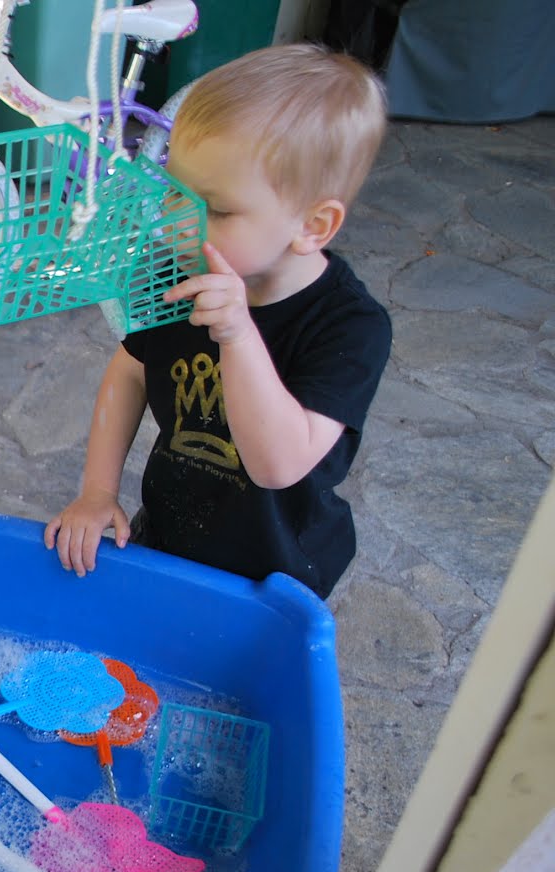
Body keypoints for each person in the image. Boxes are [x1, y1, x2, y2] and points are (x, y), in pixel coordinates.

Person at [44, 44, 391, 600]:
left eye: (217, 208)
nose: (177, 220)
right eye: (176, 191)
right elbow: (130, 371)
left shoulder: (349, 326)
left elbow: (279, 465)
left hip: (278, 574)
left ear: (312, 225)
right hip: (170, 538)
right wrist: (97, 491)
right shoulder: (171, 275)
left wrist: (237, 332)